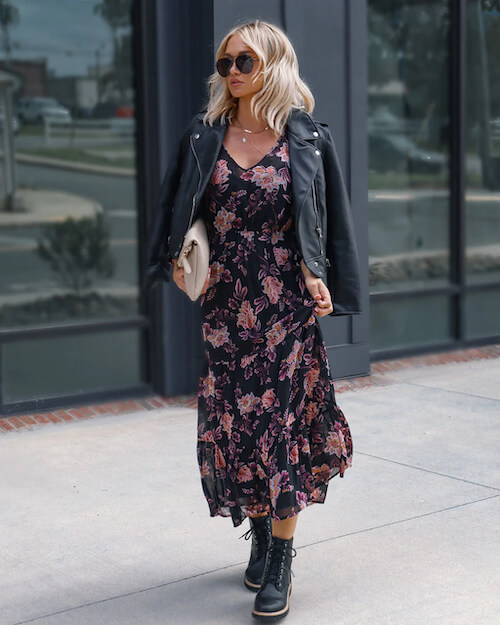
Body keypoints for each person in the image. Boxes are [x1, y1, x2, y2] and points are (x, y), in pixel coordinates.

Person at [145, 19, 361, 622]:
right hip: (223, 307)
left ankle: (283, 560)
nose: (231, 73)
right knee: (240, 427)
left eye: (243, 61)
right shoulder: (204, 134)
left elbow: (328, 220)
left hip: (285, 306)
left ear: (272, 64)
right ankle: (262, 536)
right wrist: (176, 257)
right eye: (225, 64)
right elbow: (174, 209)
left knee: (283, 429)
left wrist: (325, 279)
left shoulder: (308, 138)